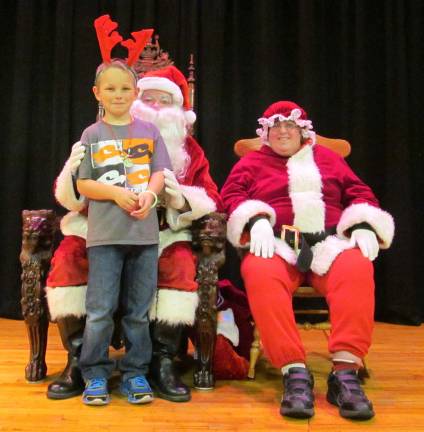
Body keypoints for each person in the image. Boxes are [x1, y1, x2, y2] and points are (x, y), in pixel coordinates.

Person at [45, 65, 221, 402]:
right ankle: (82, 362)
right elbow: (75, 188)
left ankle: (157, 361)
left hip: (158, 232)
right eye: (149, 97)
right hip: (100, 229)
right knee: (74, 267)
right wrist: (103, 188)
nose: (154, 105)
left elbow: (207, 196)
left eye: (163, 99)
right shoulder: (93, 134)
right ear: (99, 93)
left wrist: (168, 196)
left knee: (167, 279)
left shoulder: (183, 149)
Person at [220, 101, 395, 420]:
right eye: (275, 127)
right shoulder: (253, 162)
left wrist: (363, 223)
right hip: (276, 243)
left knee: (357, 266)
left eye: (290, 126)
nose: (283, 131)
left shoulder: (328, 158)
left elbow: (360, 194)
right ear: (266, 133)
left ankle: (345, 374)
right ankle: (294, 372)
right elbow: (231, 196)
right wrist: (255, 218)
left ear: (303, 131)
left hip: (329, 243)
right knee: (259, 270)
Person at [75, 58, 172, 405]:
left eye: (125, 88)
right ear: (97, 93)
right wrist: (115, 192)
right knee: (100, 310)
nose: (118, 94)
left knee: (138, 311)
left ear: (135, 93)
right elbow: (83, 182)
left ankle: (135, 373)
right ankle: (95, 374)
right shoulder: (92, 134)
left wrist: (150, 193)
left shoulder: (150, 132)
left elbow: (160, 172)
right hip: (104, 237)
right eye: (111, 88)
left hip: (143, 237)